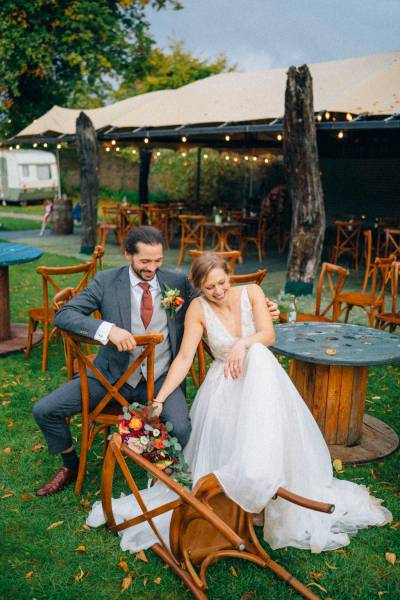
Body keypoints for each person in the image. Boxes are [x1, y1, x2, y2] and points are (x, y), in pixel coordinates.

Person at [88, 252, 392, 554]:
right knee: (239, 405)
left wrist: (243, 344)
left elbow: (268, 335)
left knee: (258, 355)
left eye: (221, 283)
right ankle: (240, 497)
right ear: (199, 288)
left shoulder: (253, 292)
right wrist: (158, 400)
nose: (218, 292)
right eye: (209, 288)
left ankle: (265, 489)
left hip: (262, 384)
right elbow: (183, 358)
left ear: (228, 274)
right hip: (226, 386)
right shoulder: (197, 309)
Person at [32, 226, 280, 497]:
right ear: (128, 254)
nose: (152, 268)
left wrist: (264, 309)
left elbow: (217, 299)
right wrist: (107, 330)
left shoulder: (177, 283)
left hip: (161, 377)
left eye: (158, 261)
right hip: (111, 376)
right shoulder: (106, 281)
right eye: (145, 261)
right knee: (45, 410)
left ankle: (154, 468)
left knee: (182, 429)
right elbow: (65, 314)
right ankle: (70, 465)